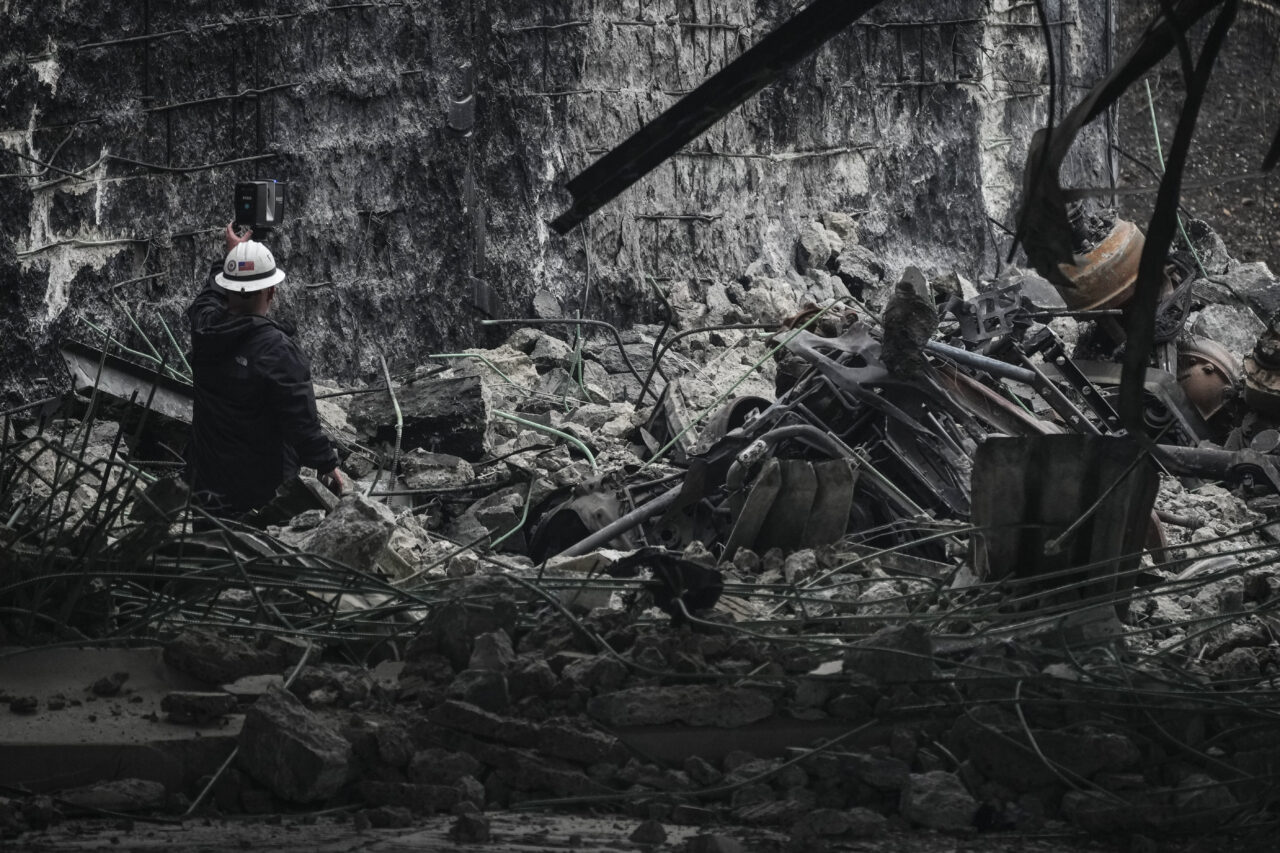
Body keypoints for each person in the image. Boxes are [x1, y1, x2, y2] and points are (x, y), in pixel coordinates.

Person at [185, 223, 346, 515]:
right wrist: (327, 463)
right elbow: (301, 419)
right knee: (258, 553)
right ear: (271, 291)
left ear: (228, 287)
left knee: (207, 553)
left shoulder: (204, 329)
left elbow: (207, 299)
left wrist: (230, 257)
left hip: (206, 484)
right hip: (260, 490)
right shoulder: (278, 351)